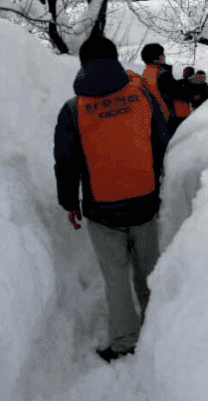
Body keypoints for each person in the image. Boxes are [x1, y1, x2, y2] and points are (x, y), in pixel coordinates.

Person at [54, 35, 170, 363]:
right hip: (145, 200)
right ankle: (161, 328)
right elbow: (160, 140)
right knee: (148, 270)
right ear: (115, 59)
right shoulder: (142, 97)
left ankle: (124, 341)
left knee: (115, 278)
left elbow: (66, 162)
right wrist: (155, 178)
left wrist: (69, 204)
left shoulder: (73, 109)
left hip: (102, 210)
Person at [140, 43, 183, 134]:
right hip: (167, 117)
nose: (164, 56)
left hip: (153, 117)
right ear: (156, 58)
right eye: (162, 54)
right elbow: (175, 92)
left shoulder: (146, 73)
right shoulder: (162, 74)